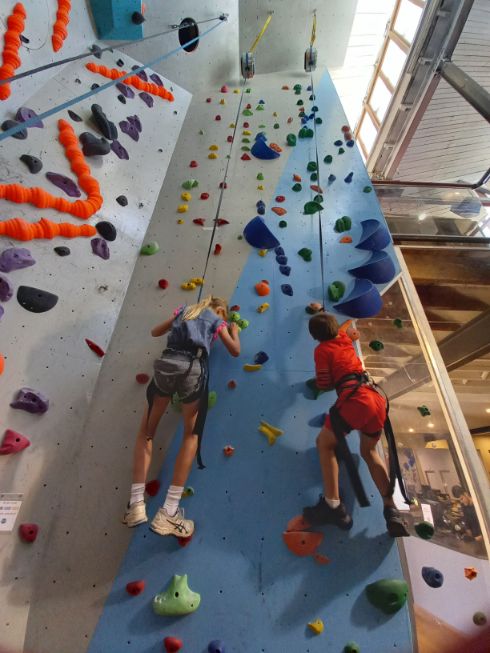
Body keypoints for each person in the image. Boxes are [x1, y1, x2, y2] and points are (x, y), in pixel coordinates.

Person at [123, 296, 240, 538]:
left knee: (146, 432)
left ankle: (136, 503)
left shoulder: (184, 311)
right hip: (193, 368)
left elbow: (155, 332)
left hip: (166, 362)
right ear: (220, 310)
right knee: (191, 435)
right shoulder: (217, 318)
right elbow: (235, 351)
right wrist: (233, 330)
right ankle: (169, 510)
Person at [302, 310, 409, 537]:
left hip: (356, 400)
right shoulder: (343, 338)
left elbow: (324, 382)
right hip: (376, 397)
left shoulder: (321, 349)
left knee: (324, 443)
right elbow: (347, 328)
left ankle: (333, 506)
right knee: (370, 451)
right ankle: (391, 509)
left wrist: (319, 383)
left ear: (314, 336)